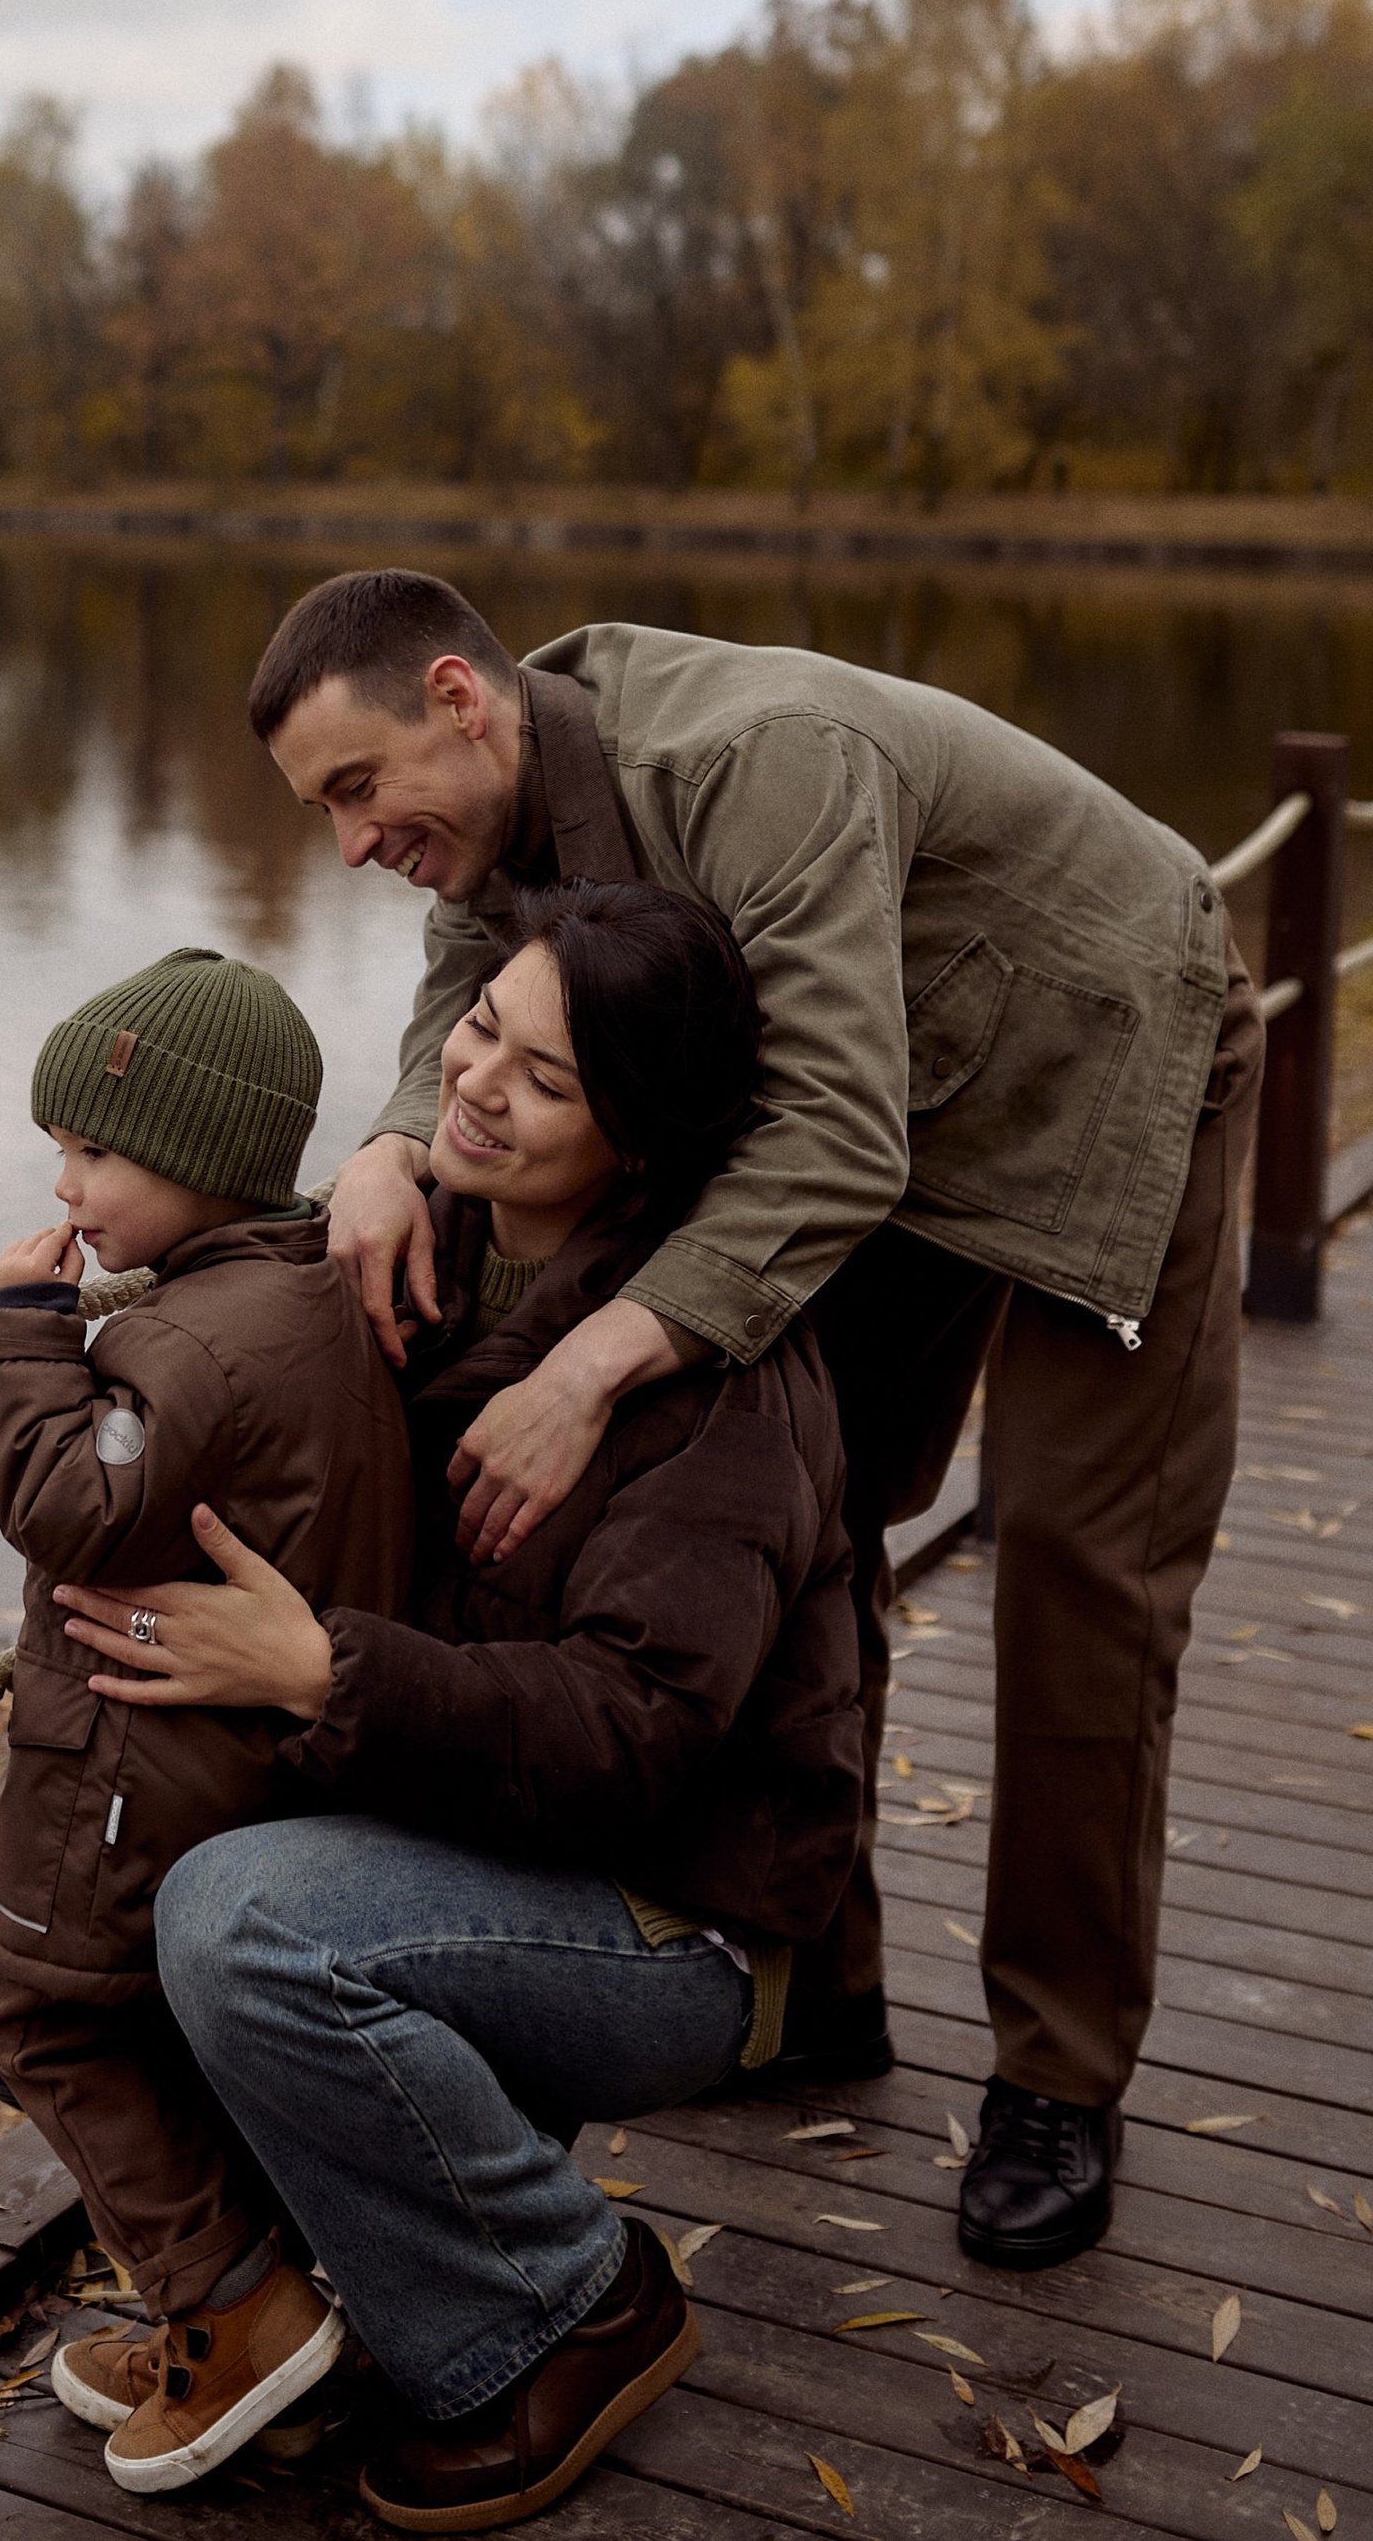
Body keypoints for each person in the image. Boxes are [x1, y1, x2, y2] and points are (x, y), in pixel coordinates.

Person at [249, 567, 1263, 2271]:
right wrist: (384, 1142)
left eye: (360, 789)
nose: (352, 843)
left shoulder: (756, 755)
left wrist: (587, 1364)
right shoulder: (505, 812)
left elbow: (838, 1135)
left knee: (1083, 1566)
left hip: (1096, 1054)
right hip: (872, 1098)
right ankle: (818, 1980)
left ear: (456, 697)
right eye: (323, 812)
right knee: (817, 1498)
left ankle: (1058, 2075)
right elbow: (461, 993)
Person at [0, 880, 859, 2530]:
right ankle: (290, 2300)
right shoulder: (415, 1251)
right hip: (445, 1818)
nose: (481, 1084)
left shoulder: (721, 1385)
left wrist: (313, 1669)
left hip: (677, 1914)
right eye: (482, 1026)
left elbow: (630, 1738)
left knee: (238, 1921)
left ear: (639, 1137)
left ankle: (561, 2298)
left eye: (548, 1078)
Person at [0, 944, 414, 2495]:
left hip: (128, 1770)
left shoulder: (185, 1341)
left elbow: (70, 1505)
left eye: (93, 1149)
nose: (65, 1183)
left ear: (204, 1159)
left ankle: (233, 2310)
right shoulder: (292, 1296)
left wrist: (24, 1332)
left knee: (41, 2006)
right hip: (227, 1767)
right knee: (130, 2017)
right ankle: (247, 2312)